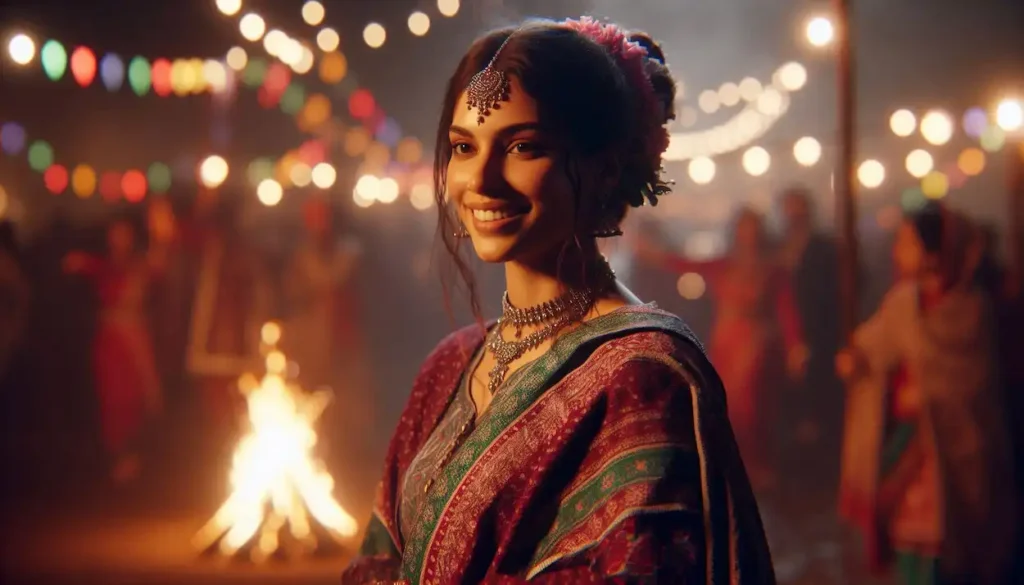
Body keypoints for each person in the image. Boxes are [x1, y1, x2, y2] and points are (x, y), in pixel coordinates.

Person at [342, 18, 773, 584]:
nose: (482, 180)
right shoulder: (449, 367)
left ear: (605, 167)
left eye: (524, 146)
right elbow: (379, 559)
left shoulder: (642, 376)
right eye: (464, 147)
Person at [837, 204, 1016, 585]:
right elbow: (875, 343)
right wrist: (858, 359)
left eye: (906, 242)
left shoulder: (974, 310)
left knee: (953, 553)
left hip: (955, 454)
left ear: (935, 254)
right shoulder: (904, 301)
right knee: (909, 546)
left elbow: (971, 390)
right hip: (910, 452)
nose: (896, 251)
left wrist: (928, 397)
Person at [634, 208, 805, 488]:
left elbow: (787, 310)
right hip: (727, 341)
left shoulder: (773, 268)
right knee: (727, 402)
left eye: (754, 228)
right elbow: (684, 264)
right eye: (744, 227)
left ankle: (758, 465)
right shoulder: (724, 264)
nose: (749, 234)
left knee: (755, 405)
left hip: (757, 342)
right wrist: (652, 253)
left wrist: (795, 346)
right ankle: (731, 464)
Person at [63, 218, 164, 483]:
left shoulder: (138, 266)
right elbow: (76, 264)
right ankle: (117, 460)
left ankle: (133, 460)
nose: (120, 239)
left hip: (133, 340)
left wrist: (160, 231)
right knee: (112, 400)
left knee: (134, 397)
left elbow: (158, 267)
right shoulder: (103, 266)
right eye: (115, 234)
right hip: (110, 343)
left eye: (125, 234)